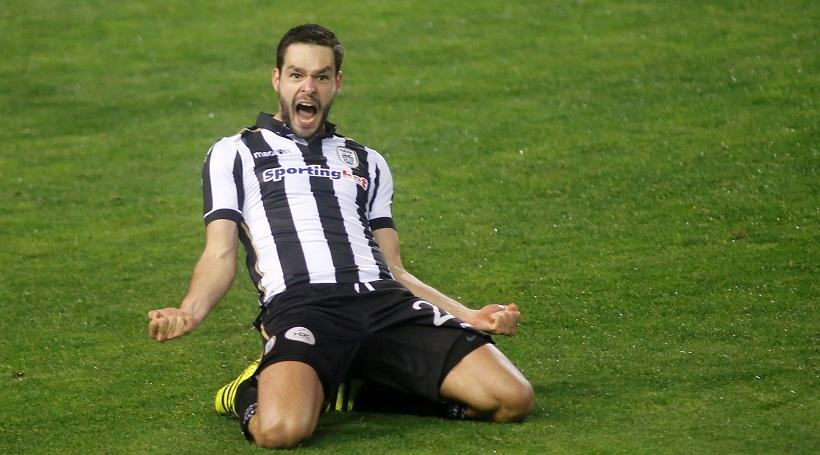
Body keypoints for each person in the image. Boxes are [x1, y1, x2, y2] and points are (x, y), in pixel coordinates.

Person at [147, 23, 533, 449]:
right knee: (280, 432)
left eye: (321, 76)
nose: (308, 87)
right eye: (296, 75)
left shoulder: (367, 160)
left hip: (383, 303)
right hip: (304, 306)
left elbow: (395, 269)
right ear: (277, 79)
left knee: (512, 400)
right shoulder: (235, 152)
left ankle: (359, 391)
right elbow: (220, 253)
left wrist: (468, 315)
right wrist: (189, 312)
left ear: (337, 83)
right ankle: (246, 391)